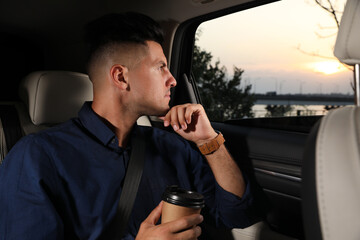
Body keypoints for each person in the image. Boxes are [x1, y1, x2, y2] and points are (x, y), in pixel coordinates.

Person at [0, 12, 260, 240]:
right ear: (121, 76)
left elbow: (238, 215)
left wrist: (209, 143)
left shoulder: (172, 147)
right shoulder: (36, 156)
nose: (172, 80)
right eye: (161, 67)